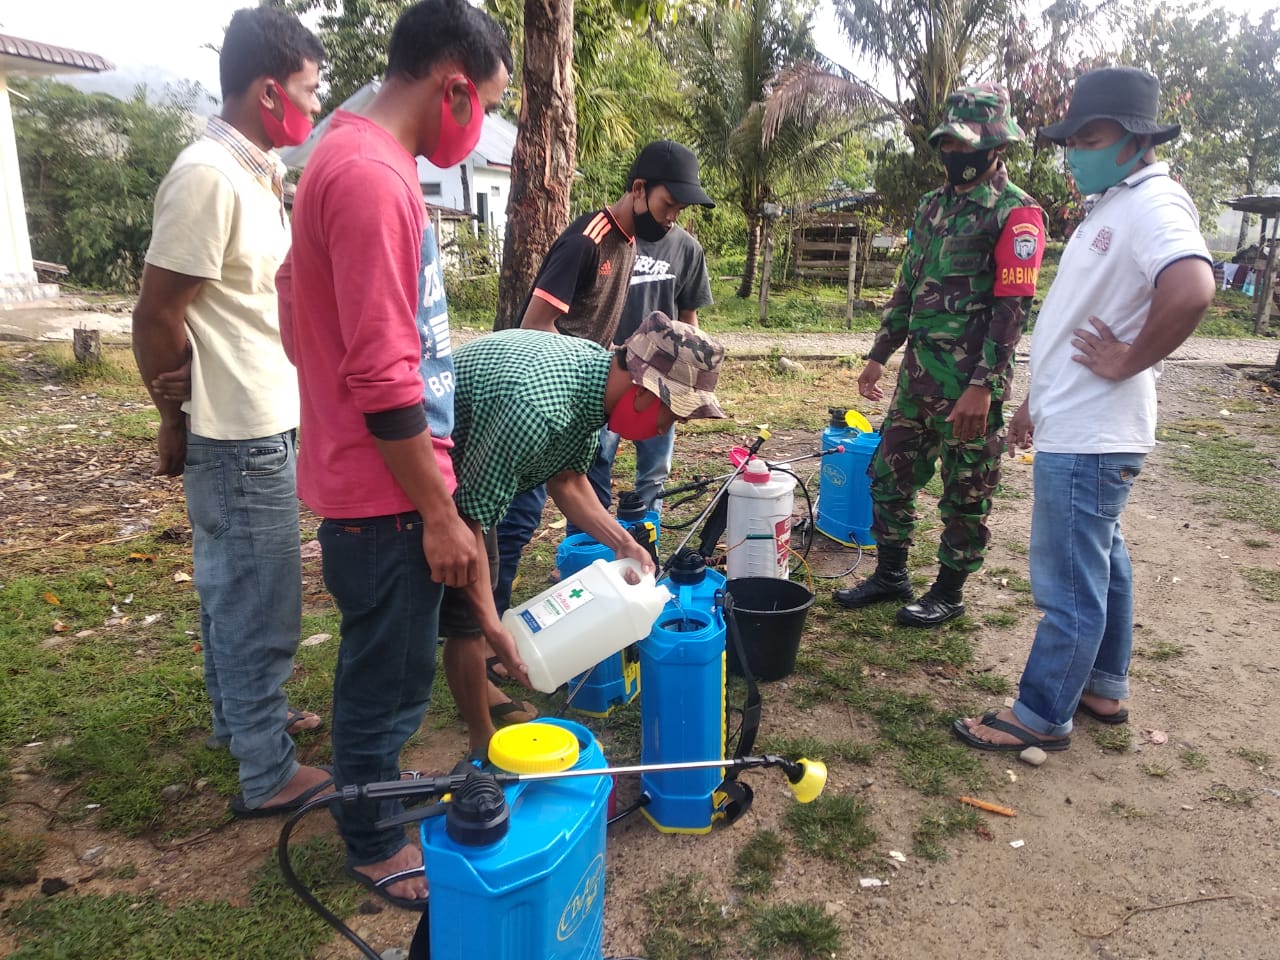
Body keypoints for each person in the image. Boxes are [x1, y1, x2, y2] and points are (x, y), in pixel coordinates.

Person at [278, 0, 516, 910]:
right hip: (386, 492)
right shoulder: (373, 177)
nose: (482, 126)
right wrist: (440, 512)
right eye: (486, 106)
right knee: (387, 676)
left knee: (386, 657)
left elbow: (294, 298)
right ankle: (373, 842)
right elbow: (383, 380)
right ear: (453, 86)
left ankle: (372, 800)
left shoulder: (339, 150)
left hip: (373, 476)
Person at [954, 66, 1215, 752]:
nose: (1075, 152)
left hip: (1095, 436)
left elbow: (1191, 288)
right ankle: (1104, 686)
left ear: (1133, 140)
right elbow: (1074, 320)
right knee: (1104, 563)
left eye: (1089, 137)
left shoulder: (1155, 203)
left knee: (1068, 580)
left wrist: (1130, 359)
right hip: (1081, 426)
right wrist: (1035, 402)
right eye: (1071, 139)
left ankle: (1041, 712)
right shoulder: (1113, 204)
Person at [131, 6, 332, 818]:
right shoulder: (207, 176)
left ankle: (240, 722)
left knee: (231, 591)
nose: (316, 107)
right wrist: (172, 413)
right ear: (266, 91)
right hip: (236, 427)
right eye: (309, 91)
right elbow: (156, 312)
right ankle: (267, 771)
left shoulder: (255, 172)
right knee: (258, 600)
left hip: (258, 416)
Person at [444, 312, 726, 750]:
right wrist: (490, 626)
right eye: (669, 417)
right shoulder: (539, 408)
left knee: (481, 600)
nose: (663, 430)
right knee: (468, 616)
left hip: (473, 481)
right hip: (425, 481)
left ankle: (480, 687)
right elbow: (469, 520)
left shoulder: (594, 385)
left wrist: (623, 542)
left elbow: (568, 480)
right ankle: (482, 739)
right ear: (643, 389)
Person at [834, 84, 1046, 627]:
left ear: (995, 146)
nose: (954, 154)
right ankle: (891, 575)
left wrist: (983, 385)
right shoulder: (932, 207)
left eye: (964, 144)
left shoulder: (1016, 213)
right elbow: (909, 286)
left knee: (965, 490)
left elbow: (1011, 310)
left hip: (970, 388)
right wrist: (881, 353)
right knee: (888, 473)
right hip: (918, 378)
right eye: (947, 144)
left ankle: (949, 592)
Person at [492, 139, 716, 616]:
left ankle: (581, 597)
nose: (672, 217)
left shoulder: (630, 241)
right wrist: (598, 365)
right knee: (518, 514)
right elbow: (534, 326)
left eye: (678, 210)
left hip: (587, 397)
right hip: (539, 396)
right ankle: (483, 627)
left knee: (585, 493)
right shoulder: (588, 240)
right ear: (639, 189)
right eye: (667, 204)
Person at [601, 212, 715, 512]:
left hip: (661, 382)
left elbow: (689, 320)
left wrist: (688, 384)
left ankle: (646, 540)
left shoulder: (687, 248)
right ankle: (590, 545)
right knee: (596, 465)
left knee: (654, 474)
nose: (671, 212)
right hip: (613, 372)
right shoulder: (613, 239)